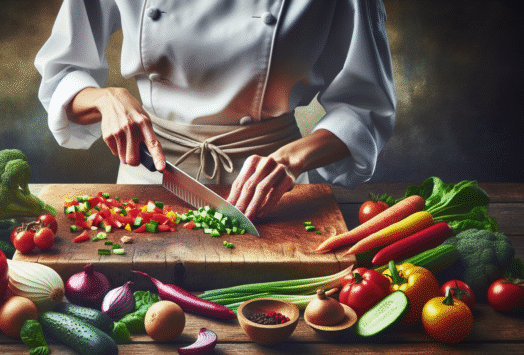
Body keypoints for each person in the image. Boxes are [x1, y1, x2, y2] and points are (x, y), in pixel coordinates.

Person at [35, 0, 396, 220]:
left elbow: (365, 108)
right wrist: (104, 99)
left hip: (271, 191)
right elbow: (62, 72)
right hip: (149, 175)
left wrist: (291, 159)